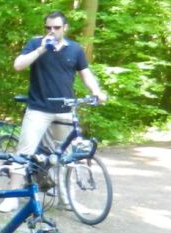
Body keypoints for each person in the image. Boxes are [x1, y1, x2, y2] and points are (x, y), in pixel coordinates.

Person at [12, 10, 106, 157]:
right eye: (48, 28)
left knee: (64, 157)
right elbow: (18, 66)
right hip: (39, 109)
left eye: (56, 27)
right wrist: (41, 49)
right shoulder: (36, 43)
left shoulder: (75, 49)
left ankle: (57, 180)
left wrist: (96, 91)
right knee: (23, 156)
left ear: (65, 27)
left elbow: (85, 73)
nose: (52, 31)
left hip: (65, 110)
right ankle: (17, 180)